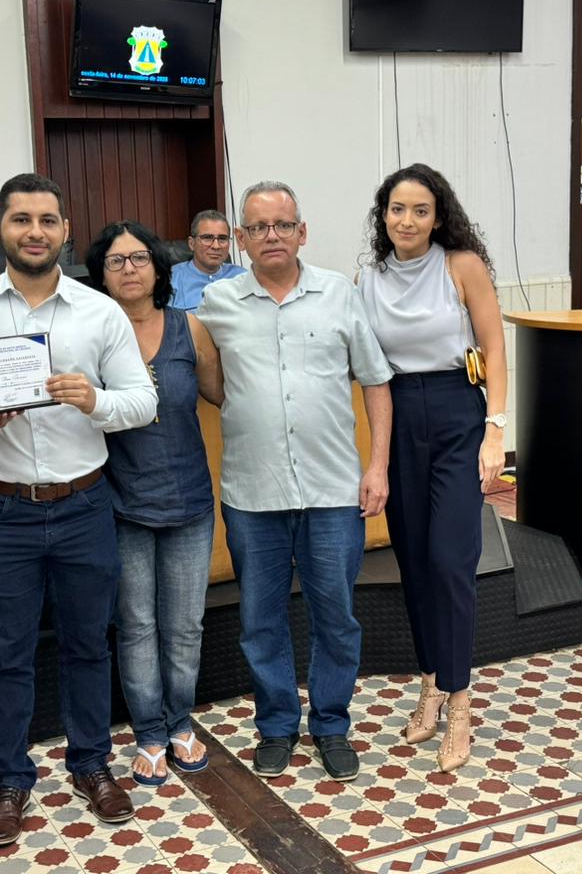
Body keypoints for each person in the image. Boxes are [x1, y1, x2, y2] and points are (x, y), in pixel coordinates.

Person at [0, 174, 157, 846]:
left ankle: (91, 764)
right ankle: (10, 779)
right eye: (21, 219)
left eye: (47, 220)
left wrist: (94, 400)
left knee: (88, 645)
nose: (35, 232)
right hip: (2, 512)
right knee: (5, 654)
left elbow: (143, 402)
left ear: (65, 231)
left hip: (84, 504)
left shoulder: (99, 312)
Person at [195, 180, 393, 783]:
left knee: (336, 616)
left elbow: (375, 381)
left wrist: (378, 466)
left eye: (283, 224)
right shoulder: (217, 304)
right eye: (258, 227)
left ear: (302, 232)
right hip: (253, 494)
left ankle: (331, 724)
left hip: (333, 491)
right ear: (241, 239)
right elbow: (209, 381)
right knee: (260, 620)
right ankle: (277, 725)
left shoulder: (339, 294)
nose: (272, 236)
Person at [357, 163, 507, 774]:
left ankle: (461, 699)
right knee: (415, 563)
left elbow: (495, 348)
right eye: (397, 209)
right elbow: (366, 364)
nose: (407, 220)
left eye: (420, 210)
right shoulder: (368, 277)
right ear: (384, 215)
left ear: (438, 216)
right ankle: (431, 685)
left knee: (451, 561)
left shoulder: (460, 266)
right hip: (397, 418)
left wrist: (496, 431)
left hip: (456, 415)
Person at [83, 219, 223, 787]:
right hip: (122, 505)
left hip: (190, 500)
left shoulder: (190, 329)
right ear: (101, 275)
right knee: (137, 625)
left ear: (159, 267)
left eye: (139, 257)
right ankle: (149, 733)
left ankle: (180, 722)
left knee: (185, 625)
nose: (129, 269)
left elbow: (223, 394)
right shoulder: (90, 336)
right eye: (115, 261)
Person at [168, 209, 244, 312]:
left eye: (222, 238)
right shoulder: (171, 279)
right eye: (207, 238)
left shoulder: (241, 277)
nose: (216, 246)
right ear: (191, 243)